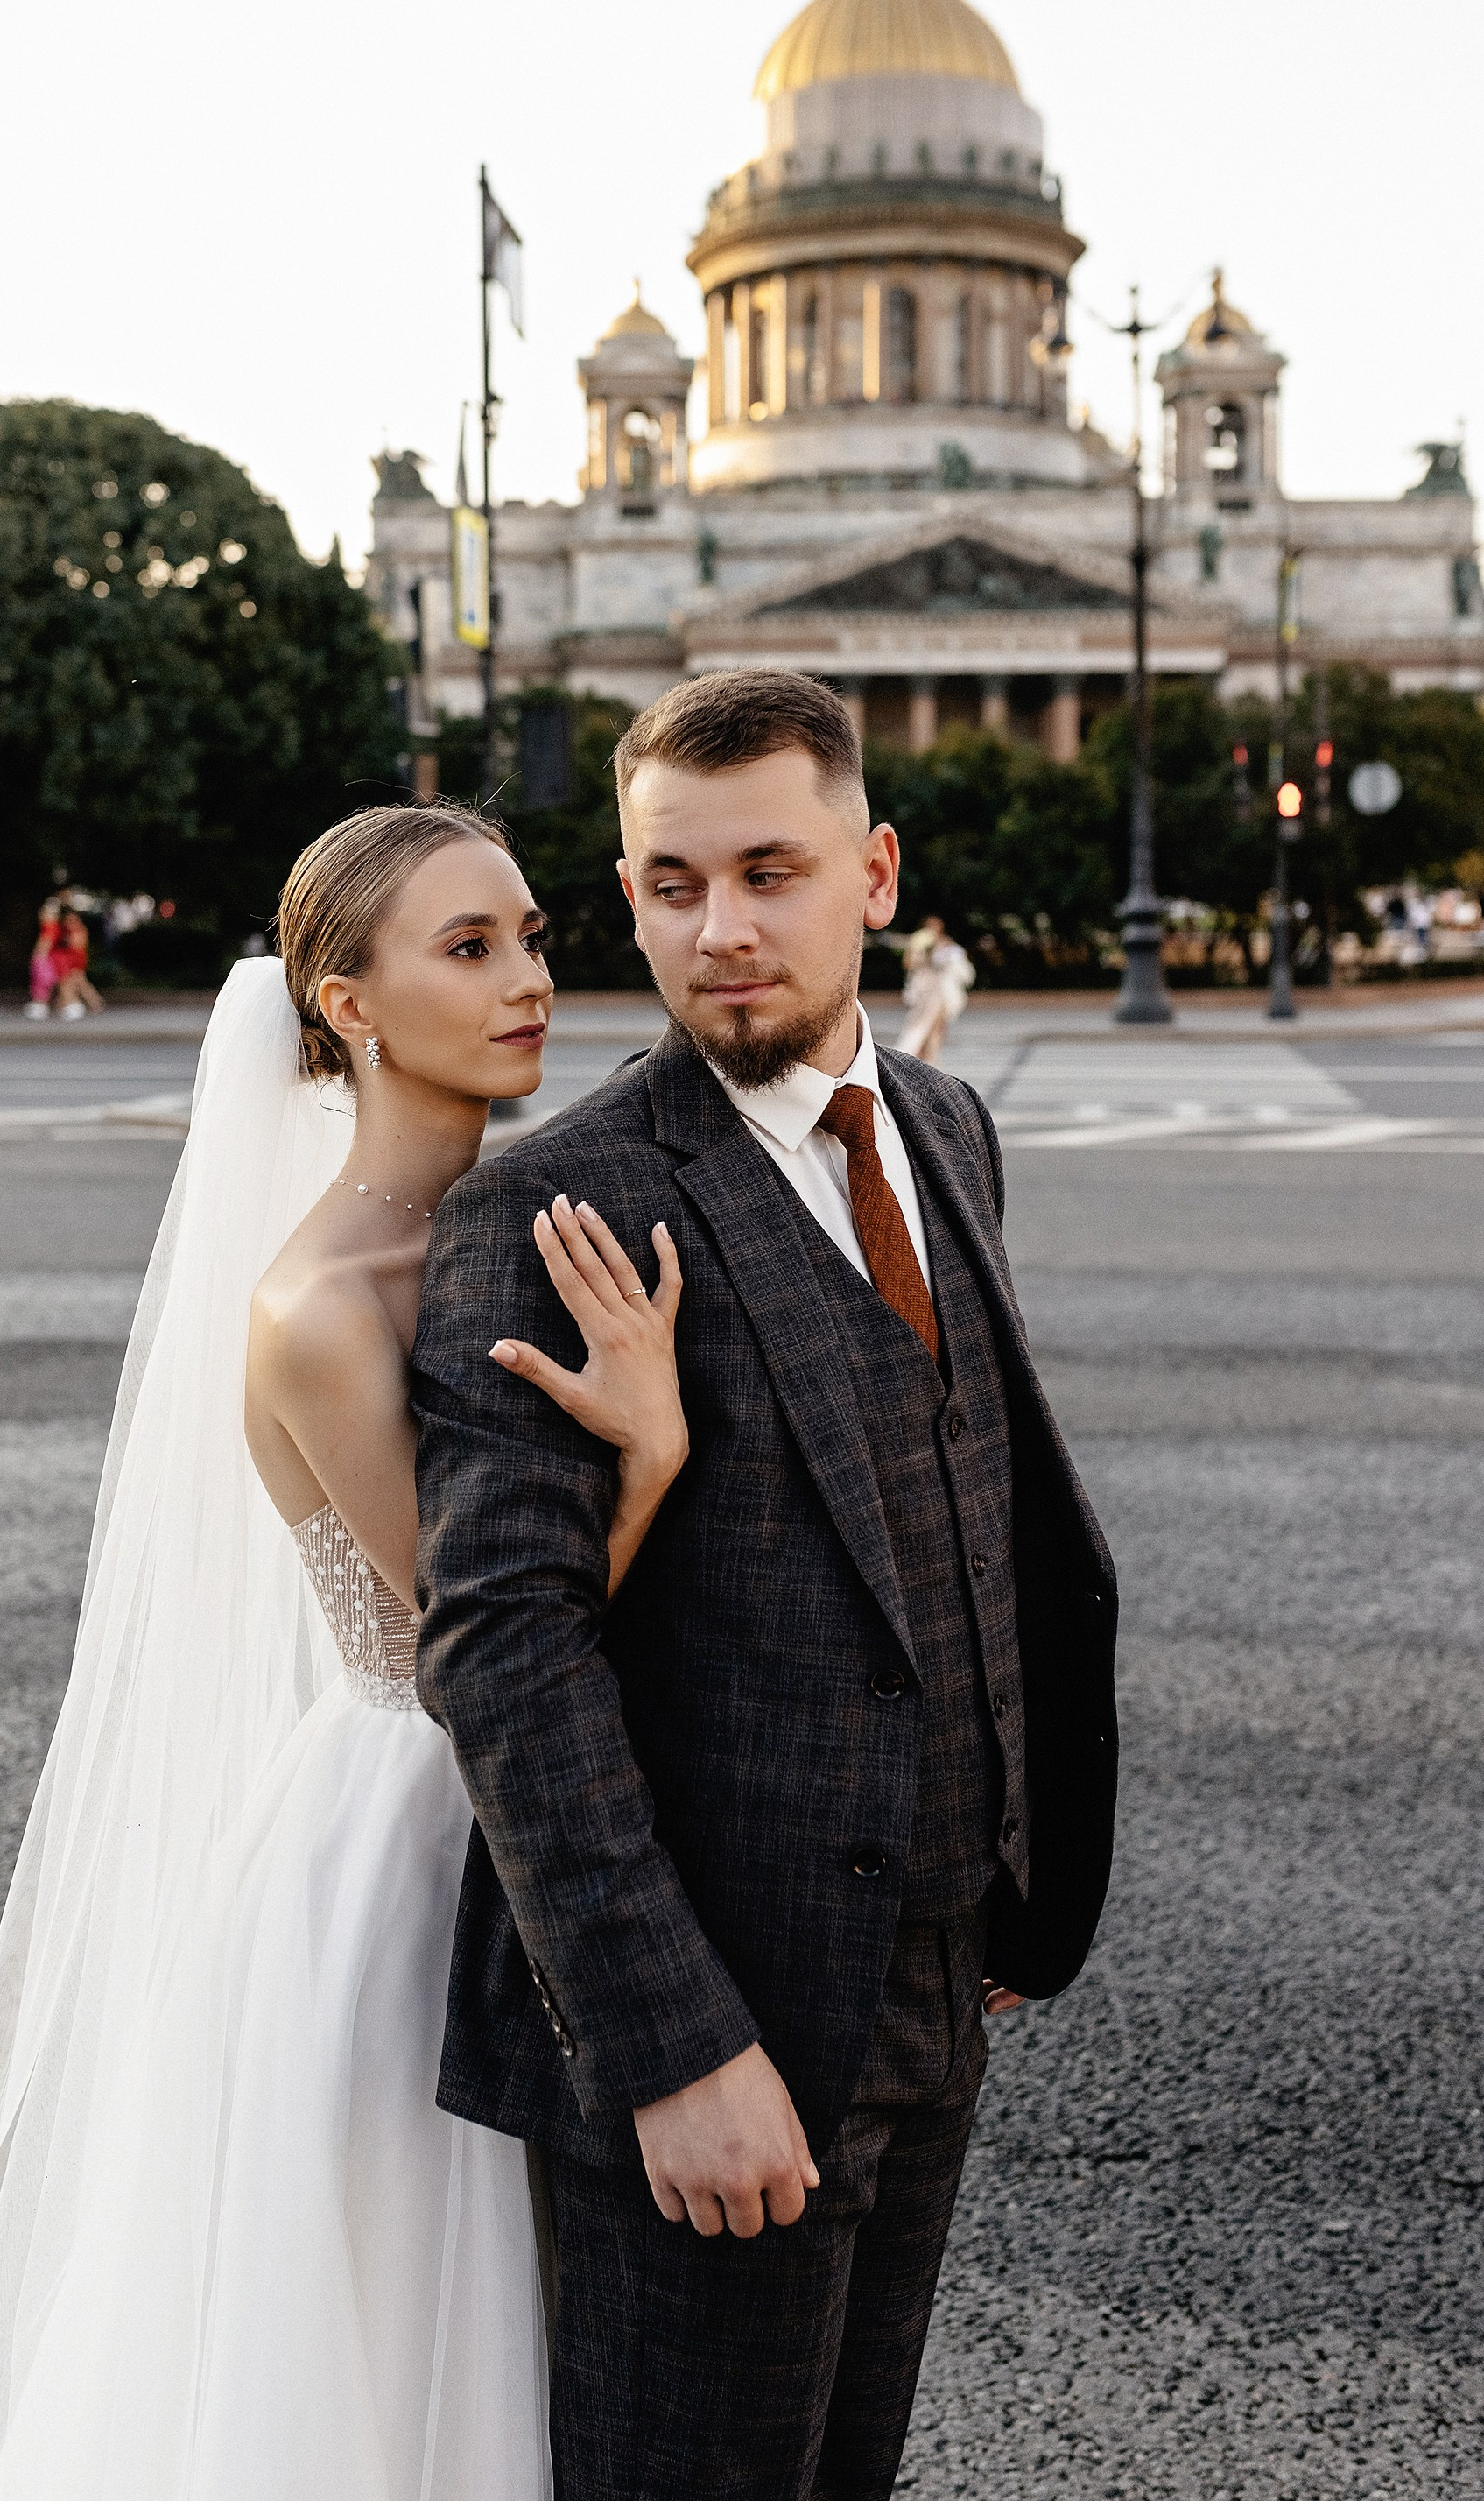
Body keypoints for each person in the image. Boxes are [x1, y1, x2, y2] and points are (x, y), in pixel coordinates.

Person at [0, 802, 686, 2501]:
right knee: (396, 2348)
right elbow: (484, 1637)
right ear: (349, 1004)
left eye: (533, 938)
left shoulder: (533, 1223)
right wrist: (653, 1457)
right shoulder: (321, 1305)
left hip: (539, 1812)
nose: (529, 980)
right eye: (469, 949)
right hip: (408, 1853)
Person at [413, 670, 1119, 2501]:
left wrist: (1003, 1878)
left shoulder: (945, 1127)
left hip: (936, 1977)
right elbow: (504, 1654)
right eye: (672, 886)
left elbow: (980, 1507)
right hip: (718, 2018)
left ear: (872, 873)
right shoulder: (556, 1207)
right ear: (630, 896)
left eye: (768, 872)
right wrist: (672, 2051)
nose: (718, 929)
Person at [898, 912, 976, 1064]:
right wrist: (925, 953)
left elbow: (960, 966)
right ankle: (919, 1060)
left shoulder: (947, 944)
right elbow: (909, 963)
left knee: (937, 1027)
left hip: (942, 991)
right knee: (924, 1028)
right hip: (926, 992)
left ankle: (929, 1060)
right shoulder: (919, 942)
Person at [50, 904, 106, 1018]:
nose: (70, 922)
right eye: (68, 920)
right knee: (75, 982)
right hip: (68, 959)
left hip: (76, 959)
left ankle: (75, 1004)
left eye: (72, 920)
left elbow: (78, 944)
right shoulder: (66, 930)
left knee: (71, 982)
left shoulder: (79, 930)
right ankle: (67, 1004)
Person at [23, 896, 60, 1019]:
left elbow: (45, 943)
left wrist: (38, 957)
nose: (41, 915)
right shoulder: (52, 926)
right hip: (47, 958)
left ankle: (40, 1007)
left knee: (40, 983)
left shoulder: (50, 927)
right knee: (43, 983)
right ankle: (42, 1005)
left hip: (43, 958)